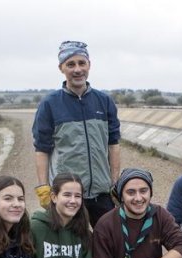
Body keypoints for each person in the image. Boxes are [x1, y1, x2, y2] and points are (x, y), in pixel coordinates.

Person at [32, 40, 121, 227]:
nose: (77, 69)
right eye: (70, 64)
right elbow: (42, 149)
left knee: (108, 241)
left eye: (82, 63)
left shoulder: (104, 101)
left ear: (89, 65)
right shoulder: (49, 104)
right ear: (61, 68)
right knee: (69, 242)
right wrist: (43, 187)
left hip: (101, 194)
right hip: (67, 195)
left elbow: (113, 144)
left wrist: (115, 182)